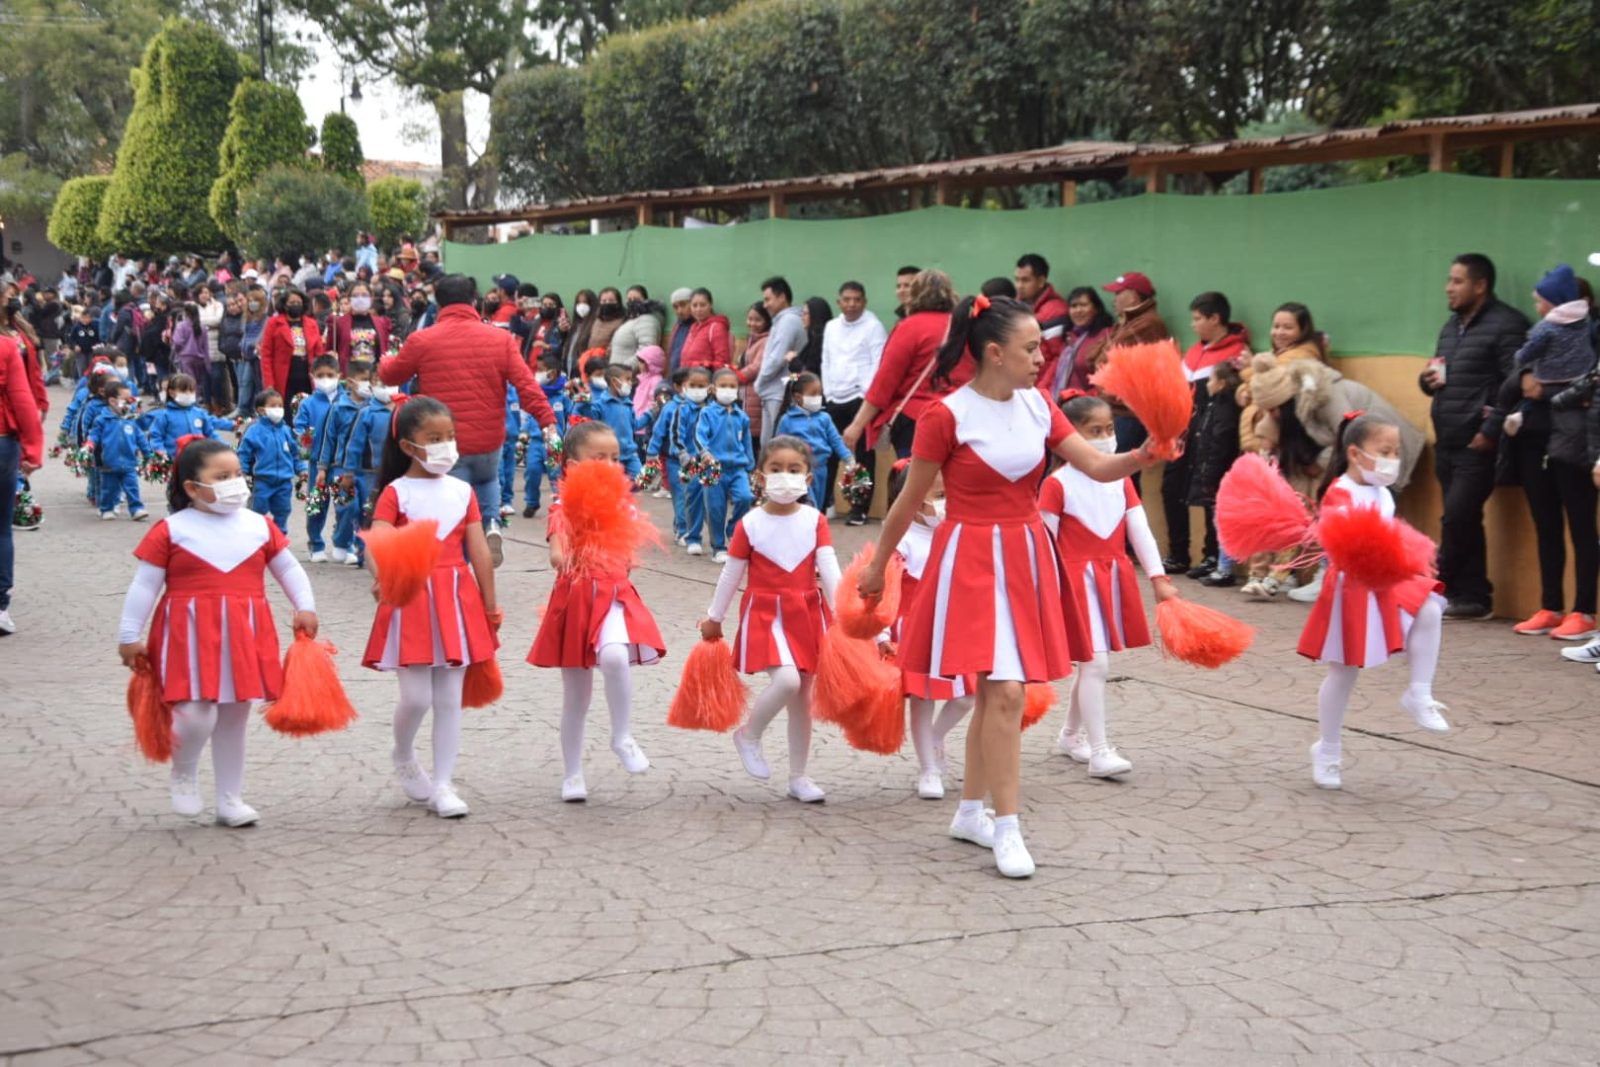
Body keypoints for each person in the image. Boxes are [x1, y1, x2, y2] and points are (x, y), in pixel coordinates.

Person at [857, 294, 1162, 878]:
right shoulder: (945, 415)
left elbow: (1095, 467)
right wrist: (878, 567)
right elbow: (908, 501)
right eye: (1030, 349)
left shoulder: (1041, 405)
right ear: (994, 353)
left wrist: (1145, 452)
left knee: (998, 695)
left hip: (1026, 558)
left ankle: (971, 812)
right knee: (1007, 694)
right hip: (968, 557)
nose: (1041, 358)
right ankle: (1008, 826)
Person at [117, 437, 319, 826]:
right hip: (187, 635)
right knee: (196, 714)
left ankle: (230, 797)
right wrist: (129, 635)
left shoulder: (259, 526)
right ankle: (184, 770)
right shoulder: (172, 530)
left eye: (238, 475)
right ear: (193, 488)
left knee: (233, 717)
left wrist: (305, 605)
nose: (234, 483)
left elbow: (289, 568)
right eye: (222, 476)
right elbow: (145, 585)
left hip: (245, 633)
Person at [361, 396, 500, 819]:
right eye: (434, 439)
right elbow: (377, 539)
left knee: (449, 698)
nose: (446, 446)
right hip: (413, 599)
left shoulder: (462, 491)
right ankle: (402, 752)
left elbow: (479, 550)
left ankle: (443, 783)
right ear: (408, 447)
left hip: (457, 599)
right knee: (417, 697)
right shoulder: (395, 492)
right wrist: (384, 575)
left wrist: (490, 607)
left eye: (451, 437)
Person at [1300, 413, 1451, 790]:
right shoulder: (1339, 492)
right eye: (1384, 451)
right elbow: (1341, 544)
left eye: (1396, 451)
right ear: (1354, 453)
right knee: (1343, 672)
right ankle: (1328, 749)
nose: (1392, 458)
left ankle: (1419, 693)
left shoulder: (1384, 493)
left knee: (1431, 606)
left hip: (1387, 582)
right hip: (1352, 590)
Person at [1041, 392, 1180, 779]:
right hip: (1074, 583)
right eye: (1094, 431)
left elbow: (1140, 531)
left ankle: (1070, 736)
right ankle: (1100, 750)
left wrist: (1159, 579)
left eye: (1109, 429)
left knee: (1093, 665)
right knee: (1096, 663)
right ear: (1069, 437)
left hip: (1111, 578)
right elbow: (1044, 544)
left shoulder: (1121, 481)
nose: (1105, 437)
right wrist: (1044, 593)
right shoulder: (1056, 485)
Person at [527, 421, 664, 802]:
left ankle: (622, 736)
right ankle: (572, 774)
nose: (609, 465)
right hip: (577, 600)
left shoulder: (623, 505)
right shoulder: (563, 506)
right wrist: (562, 554)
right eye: (598, 458)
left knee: (616, 656)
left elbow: (630, 541)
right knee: (577, 696)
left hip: (615, 595)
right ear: (572, 465)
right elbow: (558, 544)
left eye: (615, 458)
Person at [377, 274, 557, 561]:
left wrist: (386, 358)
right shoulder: (501, 339)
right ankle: (492, 524)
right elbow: (526, 385)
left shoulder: (422, 340)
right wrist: (547, 420)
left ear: (439, 302)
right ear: (474, 301)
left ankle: (461, 565)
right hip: (489, 438)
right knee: (487, 482)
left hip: (445, 441)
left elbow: (391, 374)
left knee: (455, 509)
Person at [702, 435, 842, 803]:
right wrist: (714, 617)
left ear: (808, 479)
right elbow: (731, 573)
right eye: (775, 469)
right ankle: (749, 734)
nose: (784, 477)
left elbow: (828, 567)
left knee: (803, 699)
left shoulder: (815, 520)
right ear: (759, 477)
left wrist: (847, 612)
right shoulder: (749, 523)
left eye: (794, 470)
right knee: (788, 681)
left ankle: (799, 776)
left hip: (808, 613)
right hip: (766, 614)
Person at [1420, 254, 1531, 620]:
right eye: (1449, 280)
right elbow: (1437, 373)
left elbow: (1513, 383)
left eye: (1457, 281)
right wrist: (1427, 380)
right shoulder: (1451, 327)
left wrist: (1490, 430)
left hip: (1478, 442)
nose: (1448, 288)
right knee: (1464, 519)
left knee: (1456, 517)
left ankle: (1435, 587)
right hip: (1448, 438)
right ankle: (1474, 597)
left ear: (1480, 285)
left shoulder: (1507, 325)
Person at [1497, 266, 1598, 640]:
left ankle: (1584, 610)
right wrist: (1524, 380)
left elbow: (1591, 387)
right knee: (1546, 525)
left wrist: (1552, 392)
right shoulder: (1541, 337)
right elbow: (1513, 380)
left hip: (1575, 443)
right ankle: (1550, 606)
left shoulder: (1589, 335)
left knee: (1582, 526)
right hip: (1534, 439)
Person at [878, 460, 973, 800]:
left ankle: (934, 737)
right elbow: (886, 592)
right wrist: (882, 634)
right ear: (915, 499)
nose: (948, 501)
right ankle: (928, 768)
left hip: (954, 626)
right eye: (940, 495)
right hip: (913, 628)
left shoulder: (956, 533)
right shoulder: (901, 540)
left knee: (968, 695)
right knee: (922, 699)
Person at [1167, 292, 1251, 577]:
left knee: (1211, 494)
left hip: (1214, 436)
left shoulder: (1237, 354)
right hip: (1184, 432)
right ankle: (1178, 553)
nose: (1193, 325)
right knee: (1172, 488)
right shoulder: (1193, 352)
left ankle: (1212, 557)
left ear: (1215, 319)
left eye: (1198, 319)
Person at [846, 269, 961, 460]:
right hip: (956, 417)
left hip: (915, 419)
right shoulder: (962, 326)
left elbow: (885, 381)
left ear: (914, 294)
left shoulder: (910, 327)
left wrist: (857, 425)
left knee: (912, 483)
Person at [819, 281, 887, 525]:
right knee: (828, 454)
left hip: (861, 399)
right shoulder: (831, 327)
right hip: (834, 396)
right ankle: (824, 503)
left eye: (857, 299)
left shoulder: (873, 326)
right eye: (847, 299)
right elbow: (826, 360)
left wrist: (866, 395)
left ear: (864, 301)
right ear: (839, 302)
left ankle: (859, 509)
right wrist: (827, 392)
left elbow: (878, 363)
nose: (851, 304)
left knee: (862, 457)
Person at [0, 332, 44, 635]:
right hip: (2, 440)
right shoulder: (5, 345)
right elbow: (20, 396)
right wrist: (32, 448)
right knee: (1, 527)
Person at [695, 367, 755, 561]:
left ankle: (732, 529)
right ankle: (718, 547)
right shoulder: (707, 413)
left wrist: (750, 466)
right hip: (712, 467)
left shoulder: (742, 416)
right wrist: (705, 454)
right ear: (713, 388)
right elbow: (699, 436)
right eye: (723, 386)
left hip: (737, 467)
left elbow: (746, 443)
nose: (728, 390)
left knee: (745, 497)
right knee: (715, 507)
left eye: (732, 386)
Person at [318, 360, 371, 565]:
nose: (368, 384)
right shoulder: (339, 408)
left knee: (365, 510)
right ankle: (341, 541)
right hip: (340, 466)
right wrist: (323, 467)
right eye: (364, 380)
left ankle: (361, 550)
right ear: (350, 382)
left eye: (370, 380)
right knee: (346, 507)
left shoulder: (373, 408)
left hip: (365, 468)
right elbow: (328, 438)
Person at [775, 372, 852, 511]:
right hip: (799, 471)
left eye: (820, 393)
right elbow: (778, 446)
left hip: (822, 469)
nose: (818, 398)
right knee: (807, 504)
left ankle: (815, 530)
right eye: (813, 394)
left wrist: (847, 457)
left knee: (819, 505)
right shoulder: (787, 420)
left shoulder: (824, 418)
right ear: (798, 397)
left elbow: (835, 440)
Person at [237, 388, 306, 534]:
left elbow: (295, 453)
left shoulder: (286, 431)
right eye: (273, 406)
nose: (279, 409)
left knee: (283, 510)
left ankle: (280, 538)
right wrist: (241, 472)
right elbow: (244, 454)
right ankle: (254, 538)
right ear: (261, 410)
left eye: (280, 406)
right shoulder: (254, 431)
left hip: (284, 482)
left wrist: (301, 469)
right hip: (262, 481)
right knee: (257, 511)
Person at [86, 380, 156, 521]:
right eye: (127, 400)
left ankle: (137, 509)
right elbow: (94, 435)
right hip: (109, 463)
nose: (131, 402)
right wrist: (89, 445)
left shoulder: (131, 419)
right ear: (112, 401)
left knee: (132, 487)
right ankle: (107, 508)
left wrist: (148, 453)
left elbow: (140, 438)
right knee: (108, 488)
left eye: (131, 399)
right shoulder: (102, 420)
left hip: (130, 462)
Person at [757, 278, 804, 447]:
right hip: (773, 390)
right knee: (768, 445)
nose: (765, 305)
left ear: (782, 297)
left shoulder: (789, 321)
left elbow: (777, 358)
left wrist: (759, 382)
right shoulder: (782, 321)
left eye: (768, 299)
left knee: (775, 447)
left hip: (779, 392)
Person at [522, 352, 569, 518]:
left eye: (541, 370)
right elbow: (530, 414)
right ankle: (531, 502)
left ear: (552, 373)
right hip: (536, 441)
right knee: (532, 471)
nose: (537, 374)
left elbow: (572, 416)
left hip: (555, 442)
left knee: (556, 474)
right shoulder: (536, 394)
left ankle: (560, 503)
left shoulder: (563, 396)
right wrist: (524, 432)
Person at [1014, 254, 1070, 389]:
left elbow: (1058, 358)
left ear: (1041, 281)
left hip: (1038, 387)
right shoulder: (1015, 306)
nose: (1019, 286)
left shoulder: (1056, 312)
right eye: (1017, 280)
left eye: (1025, 280)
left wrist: (1041, 391)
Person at [139, 372, 230, 455]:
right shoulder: (164, 415)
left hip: (199, 457)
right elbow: (156, 436)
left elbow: (210, 433)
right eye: (183, 391)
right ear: (171, 393)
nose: (188, 394)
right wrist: (160, 452)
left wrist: (224, 446)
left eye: (191, 391)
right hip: (174, 460)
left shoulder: (199, 413)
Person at [260, 288, 326, 398]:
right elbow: (266, 355)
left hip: (307, 376)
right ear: (285, 305)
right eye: (292, 303)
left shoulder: (312, 324)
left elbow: (318, 353)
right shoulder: (273, 323)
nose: (295, 305)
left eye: (298, 303)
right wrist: (269, 383)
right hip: (283, 378)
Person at [1051, 287, 1114, 395]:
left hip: (1089, 404)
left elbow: (1107, 378)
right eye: (1073, 306)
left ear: (1096, 309)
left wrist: (1084, 398)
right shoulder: (1069, 338)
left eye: (1083, 305)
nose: (1078, 310)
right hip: (1066, 402)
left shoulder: (1106, 336)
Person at [330, 281, 392, 373]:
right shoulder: (339, 323)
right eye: (355, 296)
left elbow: (385, 348)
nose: (360, 299)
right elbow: (331, 349)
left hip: (374, 375)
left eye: (364, 295)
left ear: (371, 298)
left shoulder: (381, 322)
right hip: (349, 376)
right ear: (349, 299)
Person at [732, 306, 769, 449]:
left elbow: (757, 366)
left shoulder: (766, 341)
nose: (752, 323)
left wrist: (736, 377)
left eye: (757, 320)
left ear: (767, 321)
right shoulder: (752, 340)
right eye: (750, 319)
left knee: (752, 441)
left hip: (755, 396)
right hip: (746, 396)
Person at [610, 286, 662, 367]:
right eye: (629, 299)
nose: (632, 302)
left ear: (645, 300)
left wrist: (624, 369)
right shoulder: (631, 320)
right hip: (619, 374)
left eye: (636, 299)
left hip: (630, 375)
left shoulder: (647, 320)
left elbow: (646, 351)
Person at [681, 288, 732, 372]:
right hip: (688, 379)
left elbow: (721, 361)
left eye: (703, 305)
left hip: (704, 381)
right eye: (694, 305)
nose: (698, 309)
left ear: (710, 305)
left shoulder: (716, 327)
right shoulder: (693, 327)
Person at [791, 296, 830, 377]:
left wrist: (793, 360)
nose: (802, 318)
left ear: (815, 315)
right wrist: (790, 380)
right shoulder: (811, 340)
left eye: (805, 314)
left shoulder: (820, 341)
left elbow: (809, 374)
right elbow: (799, 376)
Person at [666, 287, 695, 373]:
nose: (679, 310)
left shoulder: (699, 327)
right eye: (675, 307)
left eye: (683, 305)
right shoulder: (677, 326)